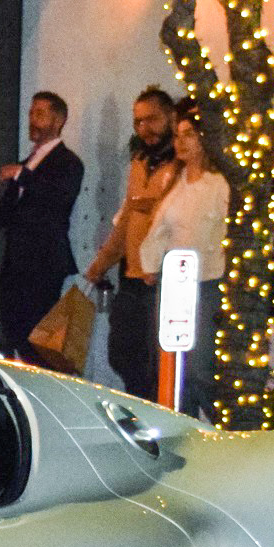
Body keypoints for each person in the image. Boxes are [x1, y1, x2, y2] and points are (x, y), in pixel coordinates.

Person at [0, 90, 84, 363]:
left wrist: (22, 175)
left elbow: (56, 198)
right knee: (15, 334)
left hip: (42, 264)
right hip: (16, 263)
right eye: (31, 113)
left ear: (59, 120)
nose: (33, 120)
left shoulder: (68, 163)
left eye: (40, 114)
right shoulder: (27, 163)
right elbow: (6, 212)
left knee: (38, 339)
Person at [84, 86, 178, 400]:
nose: (144, 129)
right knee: (121, 353)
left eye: (151, 120)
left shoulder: (181, 165)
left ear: (171, 118)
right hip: (131, 276)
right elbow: (126, 222)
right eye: (138, 122)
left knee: (156, 363)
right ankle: (141, 409)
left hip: (161, 279)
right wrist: (98, 266)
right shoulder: (139, 163)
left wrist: (154, 204)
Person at [138, 103, 230, 420]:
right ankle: (186, 433)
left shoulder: (219, 185)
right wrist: (149, 266)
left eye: (189, 135)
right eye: (178, 135)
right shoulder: (173, 181)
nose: (181, 141)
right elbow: (161, 229)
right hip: (173, 287)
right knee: (172, 371)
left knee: (200, 370)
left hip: (206, 284)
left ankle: (227, 430)